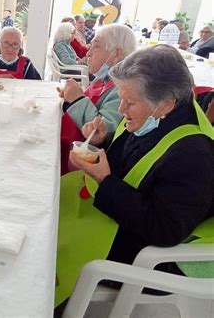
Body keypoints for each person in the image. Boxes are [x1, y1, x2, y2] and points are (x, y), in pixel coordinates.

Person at [56, 44, 213, 312]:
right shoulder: (154, 116)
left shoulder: (194, 155)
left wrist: (105, 182)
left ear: (166, 103)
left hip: (151, 253)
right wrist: (102, 139)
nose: (121, 107)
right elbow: (132, 161)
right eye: (120, 97)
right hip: (125, 218)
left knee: (49, 255)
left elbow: (163, 229)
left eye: (130, 102)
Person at [58, 24, 136, 175]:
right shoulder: (104, 78)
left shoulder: (123, 89)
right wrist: (69, 97)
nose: (88, 53)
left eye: (96, 47)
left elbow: (102, 130)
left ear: (116, 54)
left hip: (88, 167)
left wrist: (76, 99)